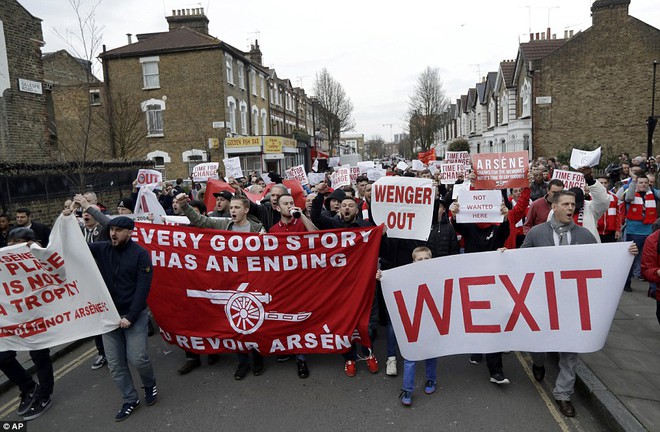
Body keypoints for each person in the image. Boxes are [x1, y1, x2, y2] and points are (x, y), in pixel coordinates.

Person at [521, 190, 638, 417]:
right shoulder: (537, 233)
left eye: (573, 204)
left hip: (573, 305)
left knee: (570, 353)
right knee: (538, 344)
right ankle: (538, 363)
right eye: (565, 204)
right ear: (554, 207)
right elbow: (521, 260)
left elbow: (601, 261)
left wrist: (626, 252)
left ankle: (563, 394)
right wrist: (504, 255)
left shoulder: (584, 236)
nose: (570, 208)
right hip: (542, 303)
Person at [175, 193, 265, 379]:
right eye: (231, 208)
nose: (233, 211)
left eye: (237, 207)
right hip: (231, 280)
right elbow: (200, 221)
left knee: (254, 322)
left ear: (246, 209)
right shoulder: (223, 225)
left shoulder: (258, 228)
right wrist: (185, 206)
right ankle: (242, 362)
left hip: (254, 281)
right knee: (236, 322)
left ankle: (257, 357)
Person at [85, 216, 157, 421]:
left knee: (138, 357)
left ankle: (149, 383)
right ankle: (130, 399)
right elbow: (76, 247)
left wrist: (131, 316)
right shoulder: (103, 249)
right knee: (116, 364)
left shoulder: (140, 255)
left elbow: (143, 289)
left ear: (130, 232)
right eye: (111, 230)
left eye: (118, 230)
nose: (113, 234)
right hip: (109, 318)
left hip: (132, 315)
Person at [450, 198, 510, 385]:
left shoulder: (498, 226)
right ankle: (477, 348)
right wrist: (454, 214)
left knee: (494, 322)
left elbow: (505, 233)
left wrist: (505, 217)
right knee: (476, 317)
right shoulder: (469, 227)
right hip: (473, 279)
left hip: (494, 280)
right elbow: (458, 228)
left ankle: (496, 371)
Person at [0, 228, 55, 421]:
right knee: (3, 357)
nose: (10, 246)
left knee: (40, 356)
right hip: (11, 319)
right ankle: (29, 387)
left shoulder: (39, 257)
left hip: (35, 317)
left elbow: (58, 271)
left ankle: (44, 395)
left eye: (16, 242)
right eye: (9, 242)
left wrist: (38, 251)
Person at [269, 193, 318, 378]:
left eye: (291, 202)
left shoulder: (302, 223)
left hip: (304, 281)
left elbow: (317, 235)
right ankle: (290, 349)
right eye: (285, 204)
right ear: (277, 208)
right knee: (288, 317)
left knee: (302, 318)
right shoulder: (273, 230)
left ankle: (301, 357)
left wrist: (303, 215)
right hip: (284, 283)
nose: (289, 206)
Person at [382, 246, 438, 407]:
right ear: (413, 262)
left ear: (432, 260)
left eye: (427, 259)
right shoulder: (405, 276)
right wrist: (382, 276)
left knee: (432, 354)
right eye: (420, 259)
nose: (423, 262)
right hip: (413, 322)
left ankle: (431, 380)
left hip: (432, 321)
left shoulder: (439, 275)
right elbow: (391, 281)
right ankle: (407, 389)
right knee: (410, 356)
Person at [623, 173, 657, 291]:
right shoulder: (631, 192)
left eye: (646, 183)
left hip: (649, 231)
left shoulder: (653, 193)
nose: (643, 185)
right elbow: (628, 197)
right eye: (641, 183)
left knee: (652, 259)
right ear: (636, 184)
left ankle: (653, 287)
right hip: (634, 232)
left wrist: (652, 188)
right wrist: (632, 182)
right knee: (630, 260)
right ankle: (626, 283)